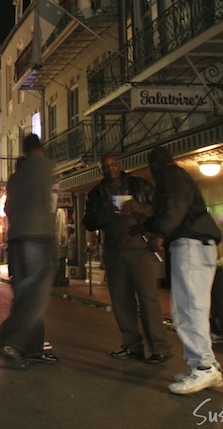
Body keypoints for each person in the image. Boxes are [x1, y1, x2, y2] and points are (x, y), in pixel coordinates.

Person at [147, 146, 223, 395]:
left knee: (190, 309)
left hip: (191, 245)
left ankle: (203, 366)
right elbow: (174, 208)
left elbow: (175, 206)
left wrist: (159, 233)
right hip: (195, 245)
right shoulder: (178, 176)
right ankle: (205, 364)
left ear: (153, 167)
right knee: (189, 309)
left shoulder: (170, 176)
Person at [82, 153, 171, 364]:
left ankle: (160, 348)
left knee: (148, 300)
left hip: (141, 250)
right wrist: (107, 213)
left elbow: (159, 210)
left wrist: (138, 208)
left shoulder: (139, 185)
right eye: (105, 166)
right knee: (122, 302)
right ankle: (132, 346)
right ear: (101, 169)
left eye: (112, 164)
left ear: (119, 164)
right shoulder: (97, 193)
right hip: (114, 253)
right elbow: (89, 221)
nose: (110, 168)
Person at [0, 134, 59, 369]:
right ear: (39, 147)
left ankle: (33, 348)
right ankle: (11, 340)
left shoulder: (15, 177)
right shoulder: (46, 167)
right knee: (36, 294)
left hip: (17, 238)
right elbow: (51, 201)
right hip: (39, 237)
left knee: (25, 293)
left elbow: (7, 208)